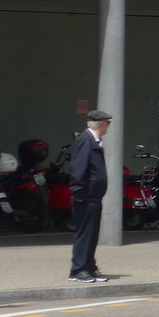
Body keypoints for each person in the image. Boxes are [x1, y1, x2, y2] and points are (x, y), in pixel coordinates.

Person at [68, 109, 111, 283]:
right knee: (85, 234)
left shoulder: (94, 140)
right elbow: (78, 168)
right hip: (85, 197)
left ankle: (90, 267)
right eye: (108, 123)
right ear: (101, 124)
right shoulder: (85, 140)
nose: (109, 126)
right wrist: (78, 192)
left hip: (94, 197)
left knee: (92, 234)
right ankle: (77, 270)